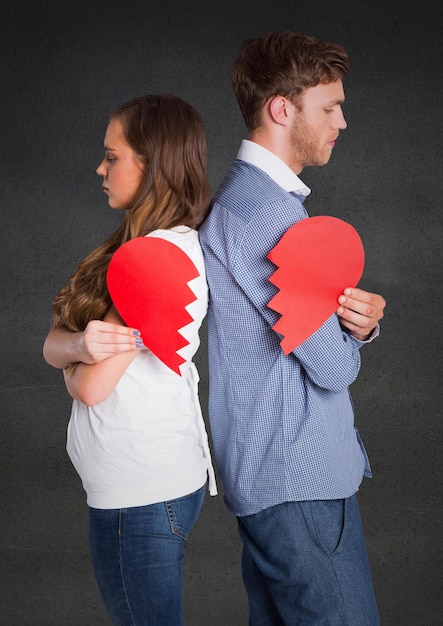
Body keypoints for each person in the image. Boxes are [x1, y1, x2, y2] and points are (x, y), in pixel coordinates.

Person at [199, 31, 386, 625]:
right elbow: (333, 367)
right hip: (301, 479)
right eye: (329, 107)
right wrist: (353, 339)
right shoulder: (267, 214)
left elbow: (302, 334)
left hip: (272, 478)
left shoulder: (246, 202)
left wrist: (357, 323)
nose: (342, 122)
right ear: (283, 109)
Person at [43, 94, 216, 626]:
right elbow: (54, 342)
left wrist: (72, 360)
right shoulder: (141, 246)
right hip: (147, 487)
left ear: (152, 163)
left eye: (112, 156)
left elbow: (90, 386)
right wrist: (75, 349)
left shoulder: (154, 259)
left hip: (139, 496)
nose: (100, 167)